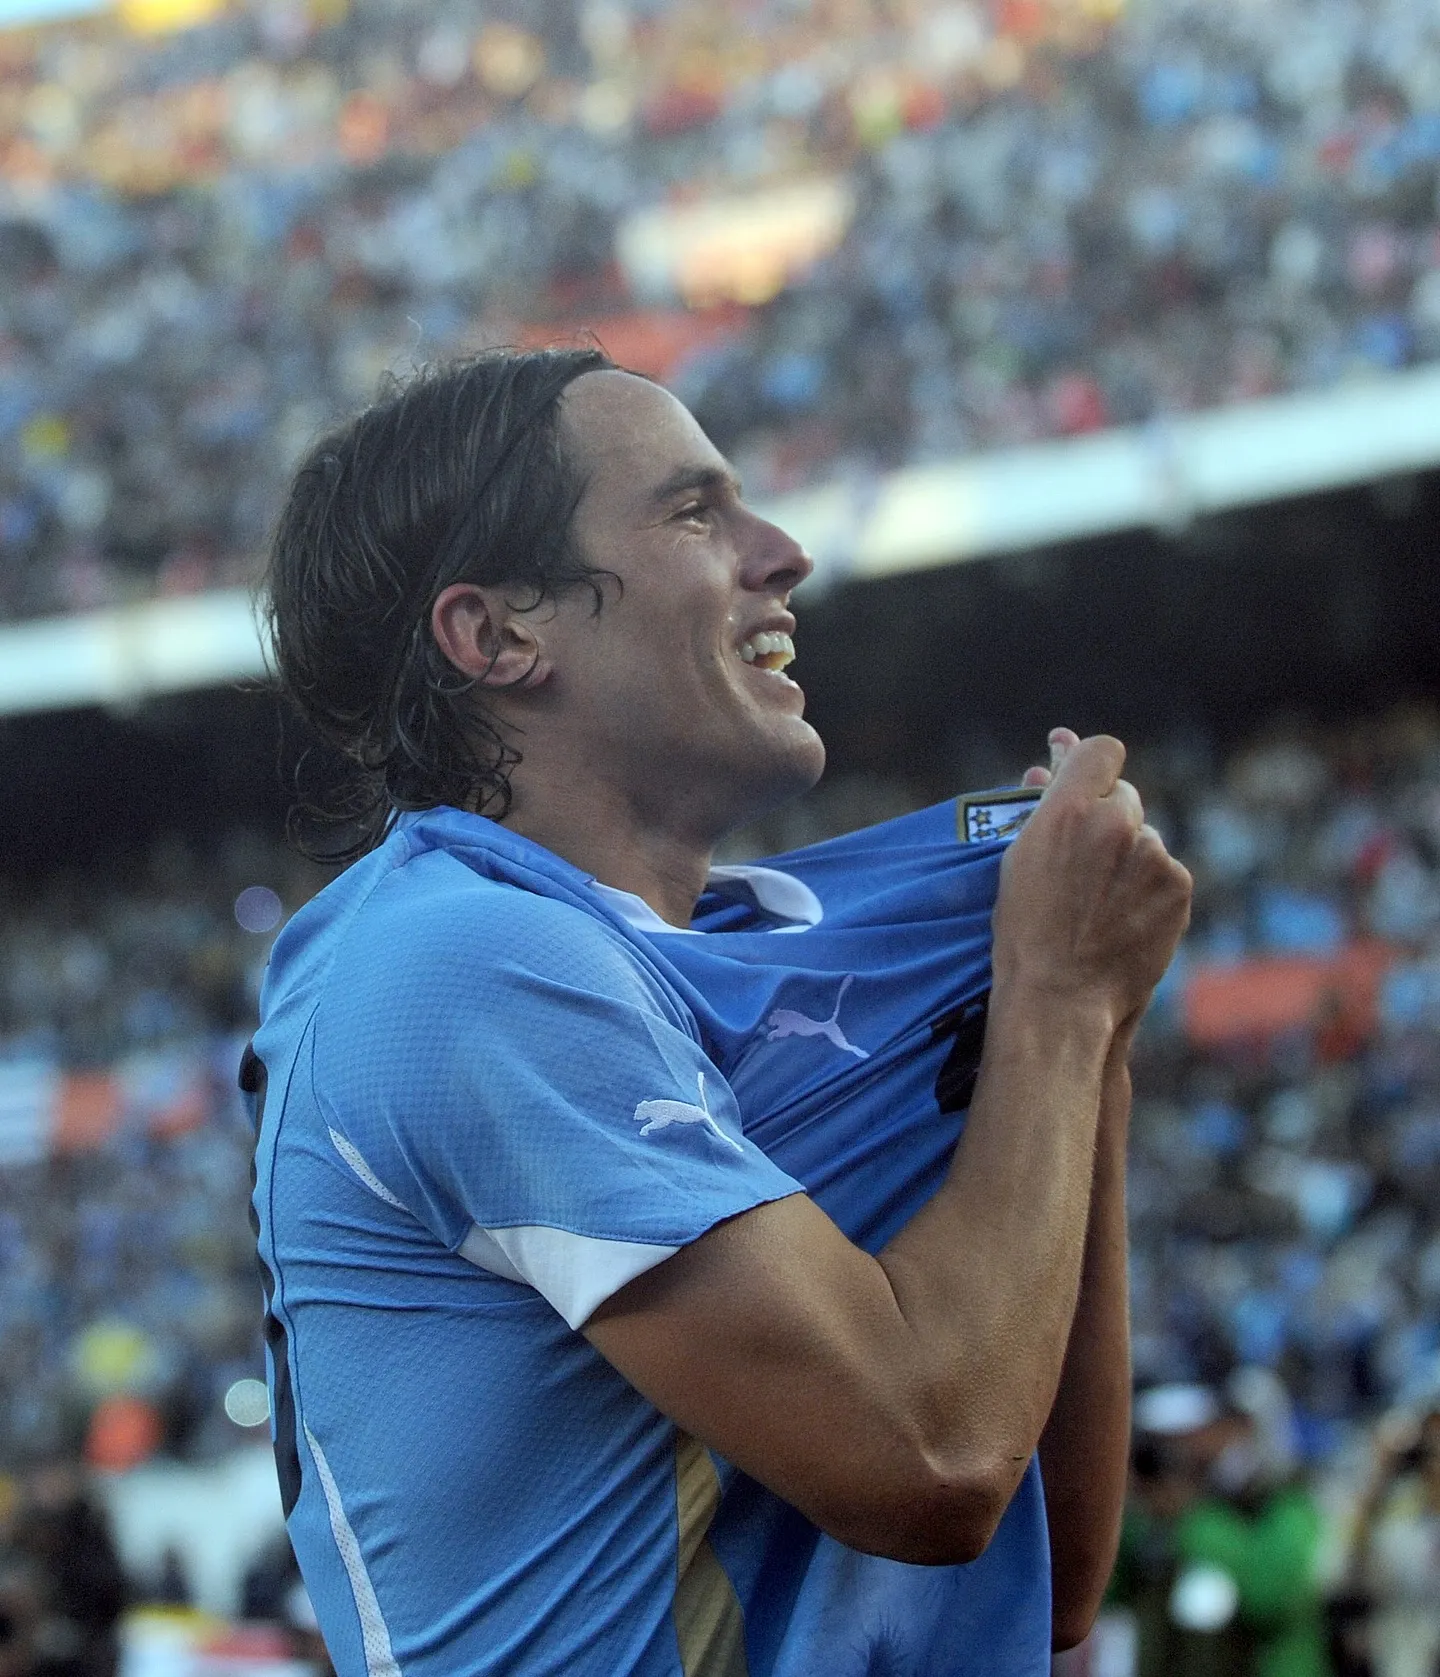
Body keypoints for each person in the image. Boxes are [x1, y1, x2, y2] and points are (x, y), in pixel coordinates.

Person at [247, 346, 1192, 1676]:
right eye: (696, 512)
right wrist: (1056, 998)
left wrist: (1089, 1038)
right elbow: (929, 1461)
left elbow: (1056, 1575)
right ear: (498, 635)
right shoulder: (458, 963)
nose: (784, 551)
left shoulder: (709, 972)